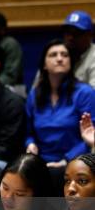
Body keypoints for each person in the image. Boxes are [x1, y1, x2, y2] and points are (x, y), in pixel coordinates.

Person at [25, 39, 94, 167]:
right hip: (40, 161)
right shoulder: (35, 94)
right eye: (53, 55)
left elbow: (91, 134)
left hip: (77, 161)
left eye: (64, 55)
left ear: (71, 62)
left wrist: (66, 161)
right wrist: (30, 144)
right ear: (44, 65)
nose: (60, 59)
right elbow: (29, 133)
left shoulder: (84, 93)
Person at [62, 10, 95, 88]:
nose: (70, 37)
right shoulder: (55, 54)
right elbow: (36, 92)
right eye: (67, 32)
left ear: (90, 35)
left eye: (77, 33)